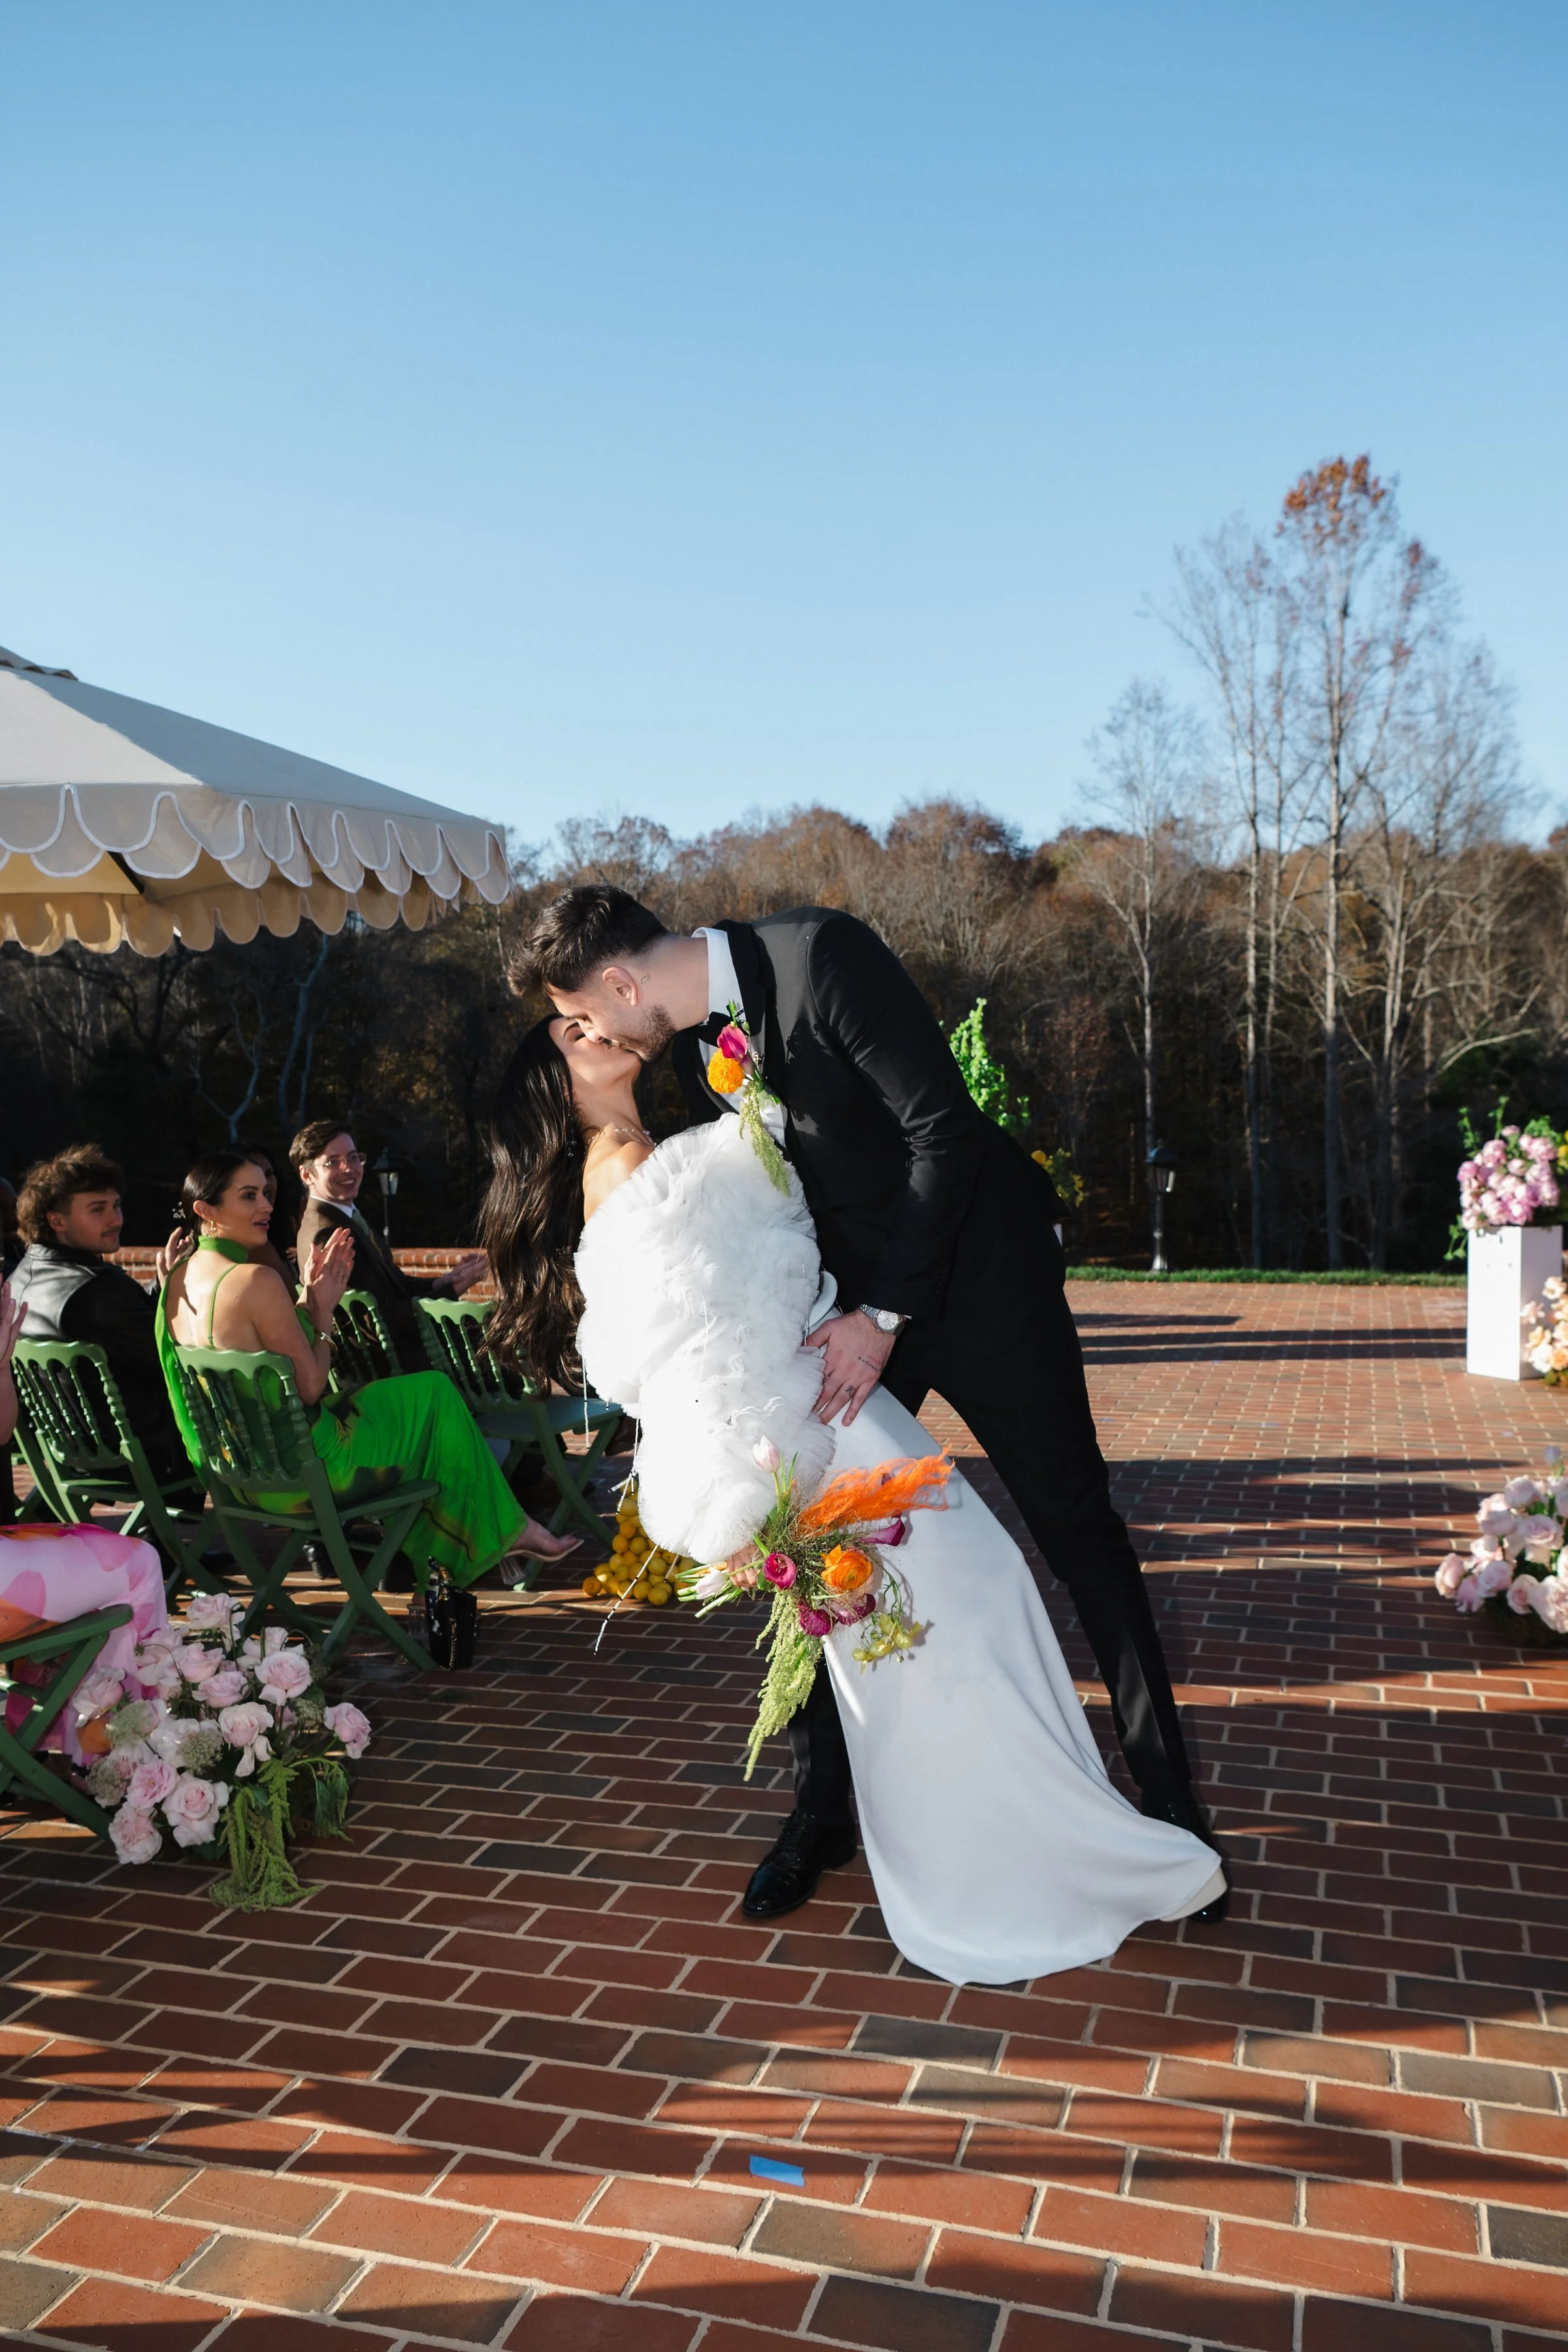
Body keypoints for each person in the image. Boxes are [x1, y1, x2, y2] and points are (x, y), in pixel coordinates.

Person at [514, 887, 1228, 1925]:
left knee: (1080, 1534)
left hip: (981, 1289)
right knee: (800, 1532)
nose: (595, 1032)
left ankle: (1170, 1799)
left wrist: (885, 1311)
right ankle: (822, 1809)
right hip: (842, 1320)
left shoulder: (825, 957)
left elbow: (943, 1131)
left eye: (588, 1013)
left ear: (622, 981)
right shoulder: (685, 1043)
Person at [157, 1150, 578, 1657]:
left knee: (425, 1403)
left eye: (265, 1193)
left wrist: (308, 1305)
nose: (266, 1205)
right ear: (205, 1211)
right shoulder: (255, 1280)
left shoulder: (177, 1279)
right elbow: (312, 1385)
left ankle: (482, 1545)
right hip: (310, 1472)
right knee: (436, 1404)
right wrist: (321, 1310)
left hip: (242, 1476)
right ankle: (481, 1545)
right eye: (248, 1196)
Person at [9, 1146, 188, 1482]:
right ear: (56, 1220)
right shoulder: (96, 1289)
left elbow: (122, 1328)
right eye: (97, 1209)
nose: (116, 1219)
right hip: (143, 1455)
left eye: (116, 1205)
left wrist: (161, 1284)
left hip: (66, 1452)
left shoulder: (20, 1278)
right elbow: (169, 1356)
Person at [291, 1123, 487, 1373]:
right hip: (393, 1368)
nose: (349, 1168)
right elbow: (376, 1321)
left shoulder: (345, 1218)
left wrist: (444, 1281)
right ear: (307, 1175)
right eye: (332, 1162)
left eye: (353, 1157)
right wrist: (455, 1289)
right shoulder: (329, 1234)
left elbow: (394, 1285)